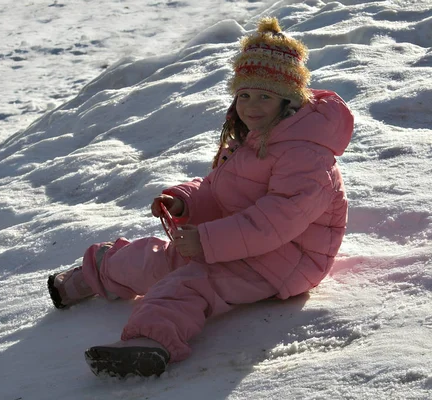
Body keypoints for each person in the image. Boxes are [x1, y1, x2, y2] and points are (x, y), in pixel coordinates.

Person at [47, 16, 354, 379]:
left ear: (288, 100)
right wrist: (185, 202)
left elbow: (277, 220)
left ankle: (149, 342)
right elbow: (221, 191)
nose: (252, 106)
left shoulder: (306, 154)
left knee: (189, 282)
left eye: (264, 96)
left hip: (283, 261)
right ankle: (95, 273)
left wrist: (207, 240)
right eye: (245, 95)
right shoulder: (256, 137)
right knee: (154, 258)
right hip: (237, 243)